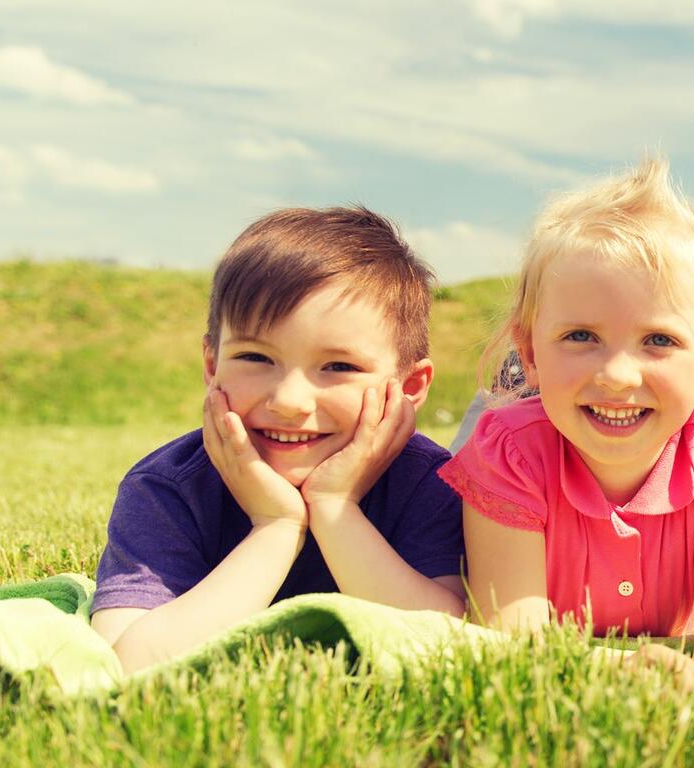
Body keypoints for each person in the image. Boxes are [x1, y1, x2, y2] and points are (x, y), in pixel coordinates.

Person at [443, 157, 694, 692]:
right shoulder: (508, 455)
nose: (619, 376)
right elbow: (513, 640)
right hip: (523, 425)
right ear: (530, 352)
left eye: (659, 340)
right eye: (581, 336)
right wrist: (614, 673)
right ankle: (514, 385)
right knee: (494, 426)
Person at [91, 207, 464, 672]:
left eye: (339, 366)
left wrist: (336, 508)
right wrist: (275, 526)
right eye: (255, 357)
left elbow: (447, 650)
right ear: (212, 366)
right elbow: (129, 664)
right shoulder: (167, 488)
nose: (289, 400)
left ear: (409, 386)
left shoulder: (429, 483)